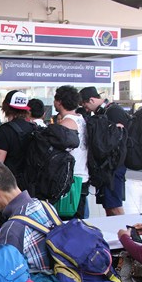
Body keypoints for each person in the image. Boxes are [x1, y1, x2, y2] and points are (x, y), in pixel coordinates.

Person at [0, 90, 35, 226]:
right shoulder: (33, 128)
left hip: (9, 187)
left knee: (7, 224)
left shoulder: (6, 130)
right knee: (26, 223)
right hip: (30, 186)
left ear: (6, 107)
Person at [80, 86, 129, 216]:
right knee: (108, 205)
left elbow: (116, 141)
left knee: (114, 205)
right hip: (107, 168)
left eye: (85, 104)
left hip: (114, 168)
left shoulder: (113, 111)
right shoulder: (104, 112)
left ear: (91, 100)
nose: (85, 108)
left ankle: (124, 228)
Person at [54, 86, 89, 219]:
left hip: (70, 179)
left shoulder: (67, 123)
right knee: (78, 219)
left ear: (59, 102)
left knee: (66, 221)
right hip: (83, 176)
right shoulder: (82, 119)